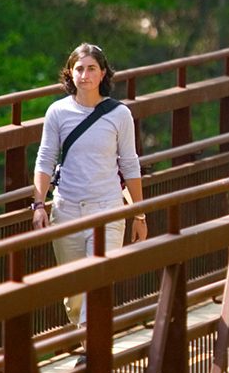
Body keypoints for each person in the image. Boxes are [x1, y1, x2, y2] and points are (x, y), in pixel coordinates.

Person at [31, 43, 147, 334]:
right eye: (79, 69)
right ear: (71, 73)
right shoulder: (57, 112)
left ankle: (91, 353)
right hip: (66, 210)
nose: (85, 75)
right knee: (74, 293)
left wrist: (139, 213)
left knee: (98, 283)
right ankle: (88, 342)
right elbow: (45, 159)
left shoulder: (119, 114)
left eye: (91, 68)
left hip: (106, 210)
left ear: (103, 72)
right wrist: (38, 205)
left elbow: (130, 164)